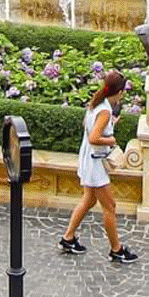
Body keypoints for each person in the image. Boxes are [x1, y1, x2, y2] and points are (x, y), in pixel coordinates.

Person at [59, 69, 137, 263]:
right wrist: (111, 139)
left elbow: (92, 130)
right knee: (110, 206)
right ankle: (116, 250)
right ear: (119, 92)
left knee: (89, 200)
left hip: (88, 159)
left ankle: (68, 238)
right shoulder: (104, 110)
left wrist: (110, 125)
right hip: (95, 163)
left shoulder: (97, 104)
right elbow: (95, 138)